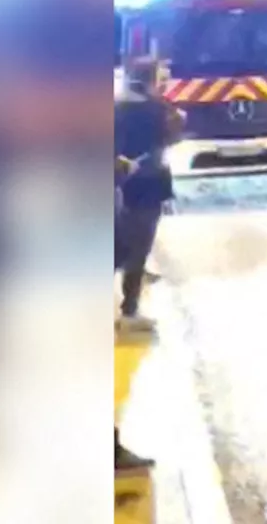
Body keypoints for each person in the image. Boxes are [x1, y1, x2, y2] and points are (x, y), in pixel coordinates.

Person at [114, 57, 181, 332]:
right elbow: (172, 136)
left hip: (120, 183)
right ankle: (129, 312)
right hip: (147, 184)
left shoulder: (116, 106)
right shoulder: (157, 109)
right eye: (160, 76)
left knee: (121, 244)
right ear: (151, 80)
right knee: (137, 248)